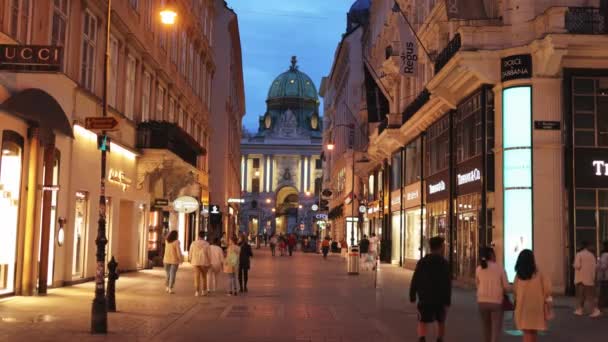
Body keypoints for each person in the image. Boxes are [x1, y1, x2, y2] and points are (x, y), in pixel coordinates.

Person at [409, 236, 451, 342]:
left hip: (425, 297)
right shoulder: (444, 263)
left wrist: (412, 295)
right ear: (440, 247)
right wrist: (447, 301)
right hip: (440, 298)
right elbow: (447, 283)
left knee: (422, 321)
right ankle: (439, 339)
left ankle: (422, 339)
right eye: (443, 246)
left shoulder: (423, 262)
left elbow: (415, 279)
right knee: (441, 321)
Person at [513, 249, 552, 342]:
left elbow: (515, 291)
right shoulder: (539, 273)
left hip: (523, 308)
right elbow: (548, 289)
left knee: (527, 333)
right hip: (537, 307)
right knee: (533, 333)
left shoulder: (518, 275)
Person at [476, 247, 509, 342]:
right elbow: (506, 286)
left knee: (486, 328)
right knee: (496, 329)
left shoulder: (478, 269)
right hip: (496, 301)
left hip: (482, 301)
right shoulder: (499, 268)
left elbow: (477, 284)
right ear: (491, 255)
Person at [573, 241, 601, 317]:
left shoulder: (579, 254)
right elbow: (595, 267)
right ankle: (593, 310)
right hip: (590, 278)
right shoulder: (592, 255)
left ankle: (581, 309)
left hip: (581, 278)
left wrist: (574, 265)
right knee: (590, 295)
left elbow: (577, 265)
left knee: (581, 295)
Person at [188, 231, 211, 297]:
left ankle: (197, 292)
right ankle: (204, 291)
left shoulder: (193, 243)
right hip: (204, 262)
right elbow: (209, 254)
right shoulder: (207, 244)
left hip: (195, 261)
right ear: (204, 236)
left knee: (196, 277)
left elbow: (191, 252)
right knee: (204, 277)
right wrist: (210, 261)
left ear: (198, 235)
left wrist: (190, 258)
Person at [599, 241, 608, 309]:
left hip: (605, 276)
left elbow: (603, 266)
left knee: (604, 292)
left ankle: (603, 305)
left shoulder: (605, 254)